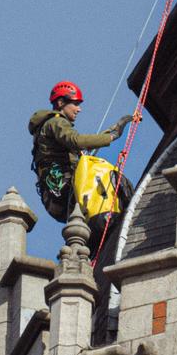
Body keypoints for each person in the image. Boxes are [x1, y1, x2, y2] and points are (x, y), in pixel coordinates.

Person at [29, 81, 134, 257]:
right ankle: (124, 214)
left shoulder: (46, 130)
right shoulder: (56, 122)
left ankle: (91, 241)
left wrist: (106, 134)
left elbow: (77, 148)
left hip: (55, 196)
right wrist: (111, 137)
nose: (79, 109)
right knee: (109, 175)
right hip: (64, 188)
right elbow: (76, 141)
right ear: (61, 103)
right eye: (75, 104)